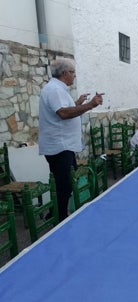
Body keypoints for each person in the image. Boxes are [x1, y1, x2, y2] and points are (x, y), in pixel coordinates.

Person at [38, 58, 103, 221]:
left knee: (66, 182)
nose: (75, 75)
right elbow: (64, 113)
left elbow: (63, 109)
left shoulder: (59, 89)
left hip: (64, 145)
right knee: (64, 184)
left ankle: (55, 213)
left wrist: (78, 102)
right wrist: (90, 105)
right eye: (73, 72)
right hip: (59, 146)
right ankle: (60, 218)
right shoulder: (54, 89)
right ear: (65, 73)